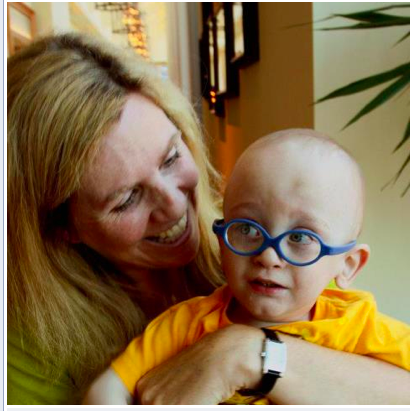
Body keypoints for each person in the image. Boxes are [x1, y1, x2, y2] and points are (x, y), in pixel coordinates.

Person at [7, 33, 410, 405]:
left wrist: (245, 354)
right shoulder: (27, 347)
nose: (174, 205)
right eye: (127, 198)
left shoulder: (282, 255)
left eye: (170, 157)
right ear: (63, 227)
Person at [83, 129, 410, 405]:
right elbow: (107, 389)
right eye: (248, 229)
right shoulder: (187, 324)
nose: (268, 256)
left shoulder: (358, 325)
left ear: (348, 265)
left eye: (300, 237)